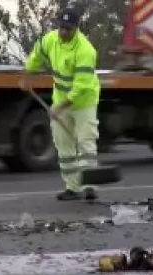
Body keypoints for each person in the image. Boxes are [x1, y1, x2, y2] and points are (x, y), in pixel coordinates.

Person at [21, 7, 101, 201]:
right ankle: (72, 188)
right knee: (64, 145)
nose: (64, 32)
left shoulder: (85, 50)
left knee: (85, 142)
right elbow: (36, 56)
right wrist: (27, 75)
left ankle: (90, 186)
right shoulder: (50, 40)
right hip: (61, 99)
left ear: (76, 28)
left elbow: (80, 86)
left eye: (68, 29)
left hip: (84, 101)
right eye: (61, 27)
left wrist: (60, 107)